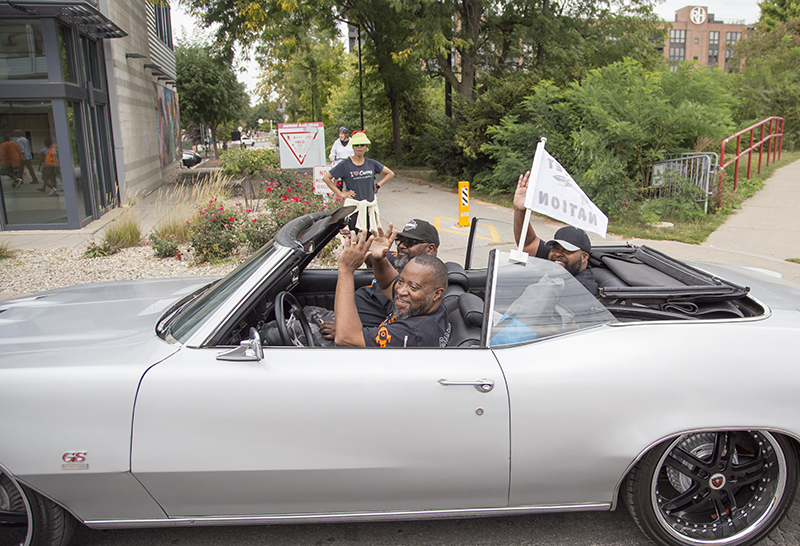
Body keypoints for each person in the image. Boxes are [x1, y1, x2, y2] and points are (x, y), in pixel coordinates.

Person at [334, 228, 451, 348]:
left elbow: (346, 338)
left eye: (413, 287)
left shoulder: (414, 332)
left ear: (437, 294)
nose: (400, 290)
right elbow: (388, 284)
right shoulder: (427, 304)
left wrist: (346, 270)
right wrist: (379, 258)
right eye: (401, 281)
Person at [513, 171, 598, 295]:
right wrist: (521, 210)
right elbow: (529, 243)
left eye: (567, 250)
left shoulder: (582, 289)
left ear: (584, 257)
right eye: (555, 248)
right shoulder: (559, 263)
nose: (558, 254)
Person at [355, 218, 440, 327]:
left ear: (430, 248)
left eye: (409, 242)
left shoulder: (424, 286)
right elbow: (371, 257)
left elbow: (390, 327)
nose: (401, 246)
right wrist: (358, 239)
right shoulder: (400, 259)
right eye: (400, 240)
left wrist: (350, 329)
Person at [322, 131, 394, 232]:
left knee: (370, 238)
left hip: (369, 206)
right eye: (356, 145)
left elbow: (390, 173)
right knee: (353, 239)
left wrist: (377, 185)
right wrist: (341, 194)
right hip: (354, 207)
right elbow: (326, 178)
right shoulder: (345, 164)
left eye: (362, 145)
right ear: (353, 147)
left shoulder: (371, 163)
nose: (359, 148)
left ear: (366, 147)